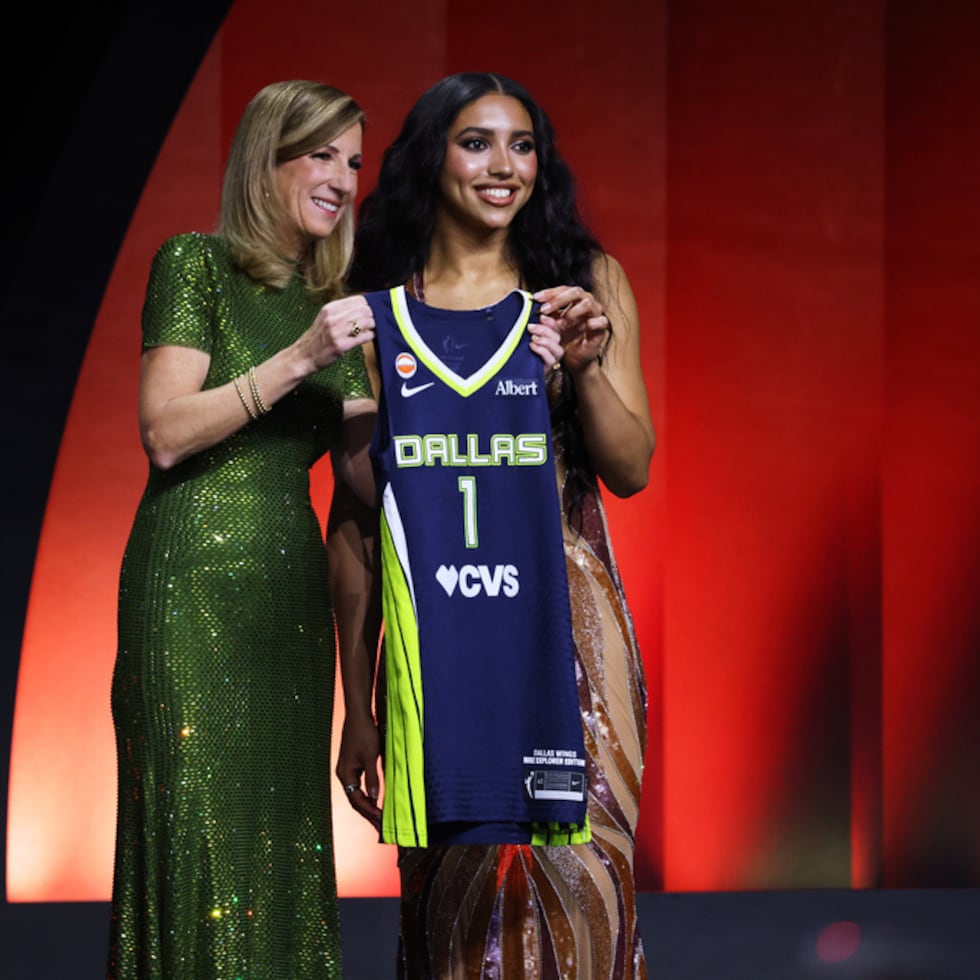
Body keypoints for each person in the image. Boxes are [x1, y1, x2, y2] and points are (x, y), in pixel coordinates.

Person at [337, 72, 655, 979]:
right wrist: (356, 708)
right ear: (430, 157)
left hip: (570, 632)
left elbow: (630, 469)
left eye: (522, 145)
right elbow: (357, 521)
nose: (503, 165)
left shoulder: (586, 283)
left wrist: (586, 364)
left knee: (585, 881)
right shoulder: (376, 308)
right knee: (454, 899)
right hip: (437, 624)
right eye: (476, 142)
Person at [106, 79, 380, 979]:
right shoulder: (196, 263)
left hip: (287, 603)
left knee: (280, 847)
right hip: (190, 592)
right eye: (322, 155)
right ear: (268, 158)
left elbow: (364, 489)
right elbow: (165, 433)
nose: (342, 179)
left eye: (353, 161)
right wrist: (301, 356)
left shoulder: (340, 304)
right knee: (198, 840)